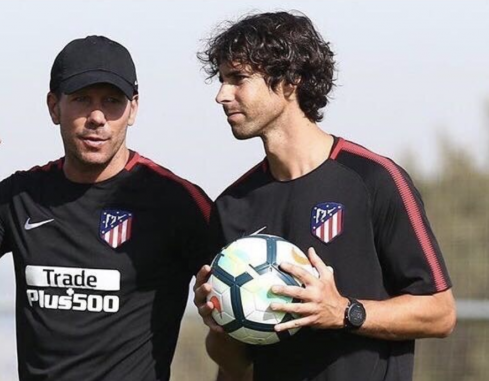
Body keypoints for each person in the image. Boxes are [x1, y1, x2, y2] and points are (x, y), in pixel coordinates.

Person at [0, 35, 213, 381]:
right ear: (53, 106)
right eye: (82, 99)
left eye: (112, 101)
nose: (97, 116)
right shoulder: (18, 197)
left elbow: (242, 302)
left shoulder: (175, 200)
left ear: (133, 109)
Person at [193, 11, 456, 381]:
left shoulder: (374, 180)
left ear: (289, 81)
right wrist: (220, 322)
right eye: (222, 80)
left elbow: (440, 313)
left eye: (238, 79)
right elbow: (236, 366)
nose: (222, 95)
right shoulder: (232, 205)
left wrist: (343, 312)